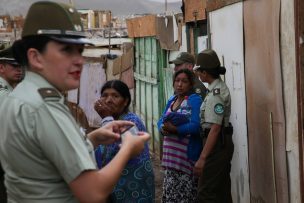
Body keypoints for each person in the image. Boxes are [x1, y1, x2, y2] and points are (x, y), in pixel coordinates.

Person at [0, 2, 150, 202]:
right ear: (35, 57)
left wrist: (95, 137)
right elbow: (93, 192)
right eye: (66, 50)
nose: (79, 60)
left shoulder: (22, 95)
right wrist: (128, 147)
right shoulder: (44, 106)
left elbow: (45, 158)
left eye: (80, 50)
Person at [94, 80, 155, 202]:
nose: (108, 100)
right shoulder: (109, 121)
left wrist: (106, 117)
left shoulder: (131, 121)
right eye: (104, 96)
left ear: (125, 101)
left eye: (115, 96)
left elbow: (119, 142)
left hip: (133, 186)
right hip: (113, 185)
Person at [193, 49, 234, 202]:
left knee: (206, 193)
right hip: (219, 143)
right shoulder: (214, 90)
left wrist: (202, 159)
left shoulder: (215, 95)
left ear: (205, 73)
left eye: (199, 71)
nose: (198, 75)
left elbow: (215, 129)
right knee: (222, 191)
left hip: (216, 144)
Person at [157, 69, 202, 202]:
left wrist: (176, 129)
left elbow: (196, 126)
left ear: (190, 84)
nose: (180, 84)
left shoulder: (195, 100)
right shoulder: (172, 99)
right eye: (177, 80)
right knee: (171, 196)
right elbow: (161, 120)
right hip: (171, 160)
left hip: (185, 160)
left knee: (185, 197)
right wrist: (162, 128)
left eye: (184, 81)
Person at [0, 46, 22, 203]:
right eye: (14, 66)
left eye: (21, 66)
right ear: (1, 67)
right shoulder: (4, 94)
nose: (19, 70)